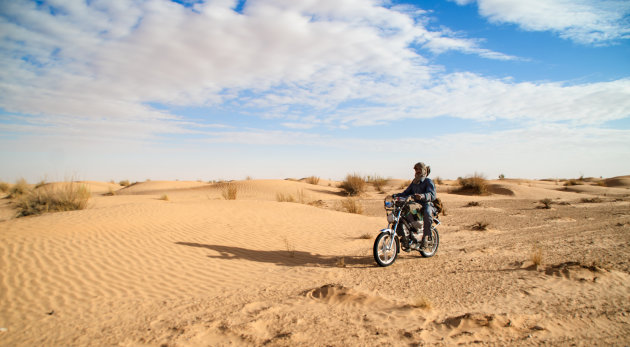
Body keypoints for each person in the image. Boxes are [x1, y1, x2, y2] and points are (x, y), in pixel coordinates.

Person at [391, 162, 436, 248]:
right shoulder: (414, 182)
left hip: (426, 204)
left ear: (423, 170)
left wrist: (422, 196)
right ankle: (407, 234)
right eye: (416, 169)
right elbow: (406, 193)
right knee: (401, 211)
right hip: (415, 204)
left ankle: (426, 237)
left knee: (427, 212)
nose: (417, 171)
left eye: (419, 169)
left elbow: (432, 195)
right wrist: (396, 195)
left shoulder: (428, 181)